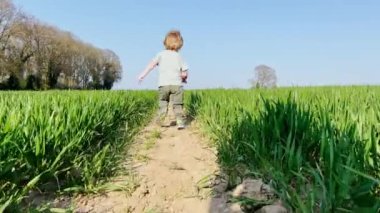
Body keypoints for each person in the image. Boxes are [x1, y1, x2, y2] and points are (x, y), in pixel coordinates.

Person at [138, 30, 188, 129]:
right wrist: (184, 78)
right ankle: (180, 122)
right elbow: (184, 73)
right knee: (178, 104)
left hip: (163, 84)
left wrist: (142, 74)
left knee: (163, 102)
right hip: (176, 85)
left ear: (165, 42)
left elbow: (151, 65)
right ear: (180, 45)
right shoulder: (179, 56)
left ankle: (161, 119)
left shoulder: (160, 54)